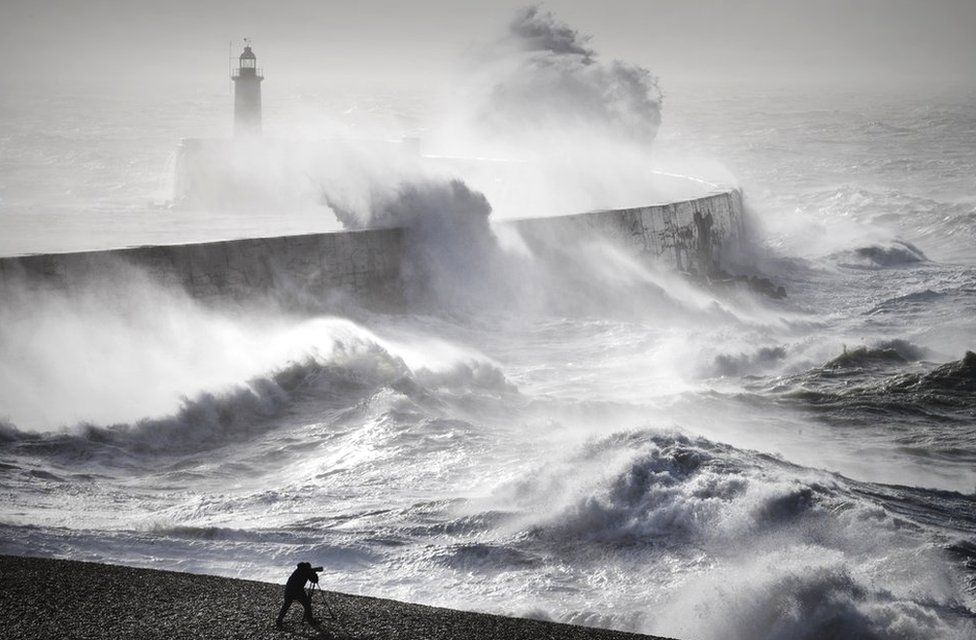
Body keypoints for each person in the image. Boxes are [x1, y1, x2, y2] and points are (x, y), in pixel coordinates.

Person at [275, 562, 321, 628]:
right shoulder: (306, 571)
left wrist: (311, 572)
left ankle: (279, 621)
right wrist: (314, 573)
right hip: (298, 590)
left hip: (288, 589)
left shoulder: (298, 570)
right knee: (307, 604)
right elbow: (314, 580)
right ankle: (311, 621)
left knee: (286, 605)